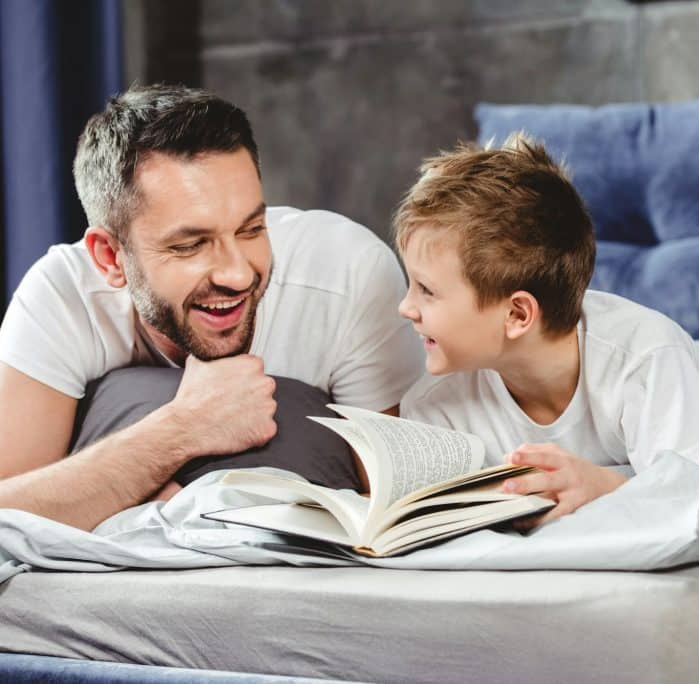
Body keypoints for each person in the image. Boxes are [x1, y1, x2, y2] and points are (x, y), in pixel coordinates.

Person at [0, 84, 423, 530]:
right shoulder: (65, 296)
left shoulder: (348, 274)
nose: (238, 274)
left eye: (251, 228)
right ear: (110, 257)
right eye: (190, 245)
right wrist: (182, 430)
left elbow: (394, 501)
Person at [395, 135, 699, 528]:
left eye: (426, 290)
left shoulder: (646, 358)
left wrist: (606, 486)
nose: (405, 308)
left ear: (516, 314)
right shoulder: (432, 404)